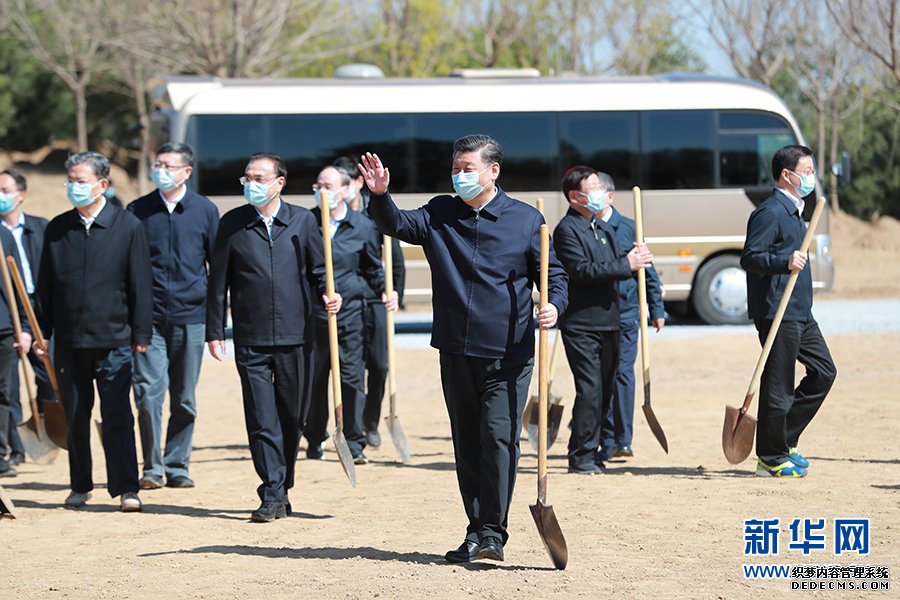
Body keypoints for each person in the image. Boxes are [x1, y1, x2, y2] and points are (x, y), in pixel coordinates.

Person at [359, 134, 568, 563]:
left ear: (493, 171)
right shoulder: (439, 213)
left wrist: (552, 305)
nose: (460, 175)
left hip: (509, 351)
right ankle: (477, 531)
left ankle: (494, 531)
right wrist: (380, 195)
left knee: (498, 438)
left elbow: (555, 276)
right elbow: (395, 223)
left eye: (468, 168)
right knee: (467, 443)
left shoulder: (528, 221)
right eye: (456, 168)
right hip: (455, 348)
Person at [206, 153, 341, 522]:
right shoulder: (231, 224)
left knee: (291, 416)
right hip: (250, 337)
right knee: (261, 416)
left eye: (259, 177)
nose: (251, 183)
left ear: (279, 182)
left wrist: (329, 293)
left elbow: (319, 270)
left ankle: (282, 485)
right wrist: (214, 331)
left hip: (298, 336)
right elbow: (218, 282)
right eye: (247, 177)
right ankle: (271, 491)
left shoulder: (302, 221)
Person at [35, 151, 152, 512]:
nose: (73, 187)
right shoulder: (57, 228)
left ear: (102, 184)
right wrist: (43, 335)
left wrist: (141, 335)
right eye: (70, 180)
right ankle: (80, 485)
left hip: (115, 340)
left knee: (117, 415)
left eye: (80, 181)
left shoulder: (127, 226)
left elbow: (141, 285)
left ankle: (126, 488)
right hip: (69, 341)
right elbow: (46, 287)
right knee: (75, 418)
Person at [740, 145, 836, 478]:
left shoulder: (795, 210)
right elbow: (750, 257)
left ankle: (784, 437)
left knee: (824, 372)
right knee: (778, 385)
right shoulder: (770, 211)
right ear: (787, 174)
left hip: (799, 311)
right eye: (807, 171)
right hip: (776, 310)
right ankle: (770, 457)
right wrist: (783, 261)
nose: (811, 177)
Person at [128, 143, 219, 490]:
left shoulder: (205, 210)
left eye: (168, 165)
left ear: (186, 172)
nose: (160, 170)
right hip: (147, 320)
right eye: (157, 164)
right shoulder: (138, 209)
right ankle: (151, 468)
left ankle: (177, 465)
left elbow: (217, 270)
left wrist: (214, 326)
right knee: (148, 393)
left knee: (184, 397)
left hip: (191, 317)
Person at [553, 166, 653, 475]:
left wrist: (638, 257)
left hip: (611, 320)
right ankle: (580, 454)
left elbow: (618, 261)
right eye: (592, 188)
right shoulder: (567, 230)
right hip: (581, 324)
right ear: (575, 196)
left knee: (607, 388)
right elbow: (582, 270)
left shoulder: (602, 228)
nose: (599, 193)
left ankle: (595, 449)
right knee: (591, 389)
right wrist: (627, 263)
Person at [303, 165, 394, 465]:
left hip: (352, 314)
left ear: (345, 190)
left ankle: (354, 441)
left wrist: (385, 290)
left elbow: (371, 268)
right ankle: (315, 437)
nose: (321, 191)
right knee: (316, 379)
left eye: (328, 185)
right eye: (318, 185)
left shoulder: (363, 226)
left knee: (352, 378)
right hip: (314, 315)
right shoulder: (306, 223)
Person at [332, 156, 405, 448]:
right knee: (348, 367)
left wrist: (394, 291)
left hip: (375, 297)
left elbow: (395, 260)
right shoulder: (329, 215)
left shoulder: (376, 212)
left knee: (379, 363)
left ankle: (370, 421)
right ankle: (352, 426)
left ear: (358, 183)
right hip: (345, 300)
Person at [592, 172, 665, 459]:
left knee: (622, 373)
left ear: (610, 196)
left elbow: (649, 272)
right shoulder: (583, 227)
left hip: (625, 314)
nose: (591, 194)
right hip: (595, 316)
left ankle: (623, 439)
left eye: (596, 189)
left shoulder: (629, 228)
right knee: (601, 376)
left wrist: (656, 309)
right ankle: (605, 439)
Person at [0, 169, 51, 469]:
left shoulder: (40, 228)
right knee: (9, 386)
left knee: (45, 374)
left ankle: (47, 427)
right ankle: (15, 447)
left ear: (21, 194)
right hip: (11, 307)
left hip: (38, 306)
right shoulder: (2, 234)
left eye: (5, 189)